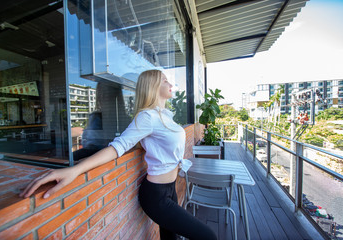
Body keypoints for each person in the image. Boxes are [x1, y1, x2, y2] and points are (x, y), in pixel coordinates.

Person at [20, 70, 217, 240]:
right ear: (153, 85)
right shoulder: (147, 116)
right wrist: (75, 169)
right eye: (165, 80)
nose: (170, 83)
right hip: (156, 195)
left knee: (169, 237)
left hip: (170, 188)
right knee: (208, 236)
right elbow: (118, 146)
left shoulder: (166, 116)